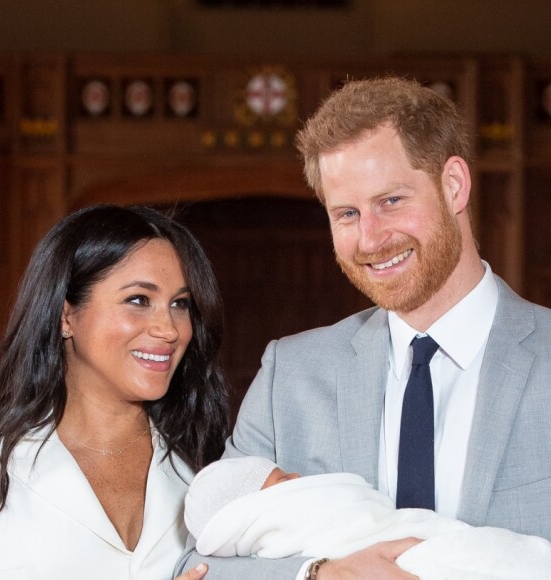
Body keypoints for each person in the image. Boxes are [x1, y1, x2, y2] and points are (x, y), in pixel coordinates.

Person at [177, 76, 551, 579]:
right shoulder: (289, 375)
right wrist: (318, 574)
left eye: (391, 201)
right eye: (347, 213)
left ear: (454, 185)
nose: (370, 238)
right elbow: (198, 565)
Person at [0, 204, 231, 580]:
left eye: (180, 304)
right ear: (66, 316)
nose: (169, 329)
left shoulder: (209, 470)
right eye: (139, 300)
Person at [184, 456, 551, 579]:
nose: (296, 479)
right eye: (281, 480)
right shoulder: (283, 369)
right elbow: (198, 566)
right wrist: (319, 574)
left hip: (423, 540)